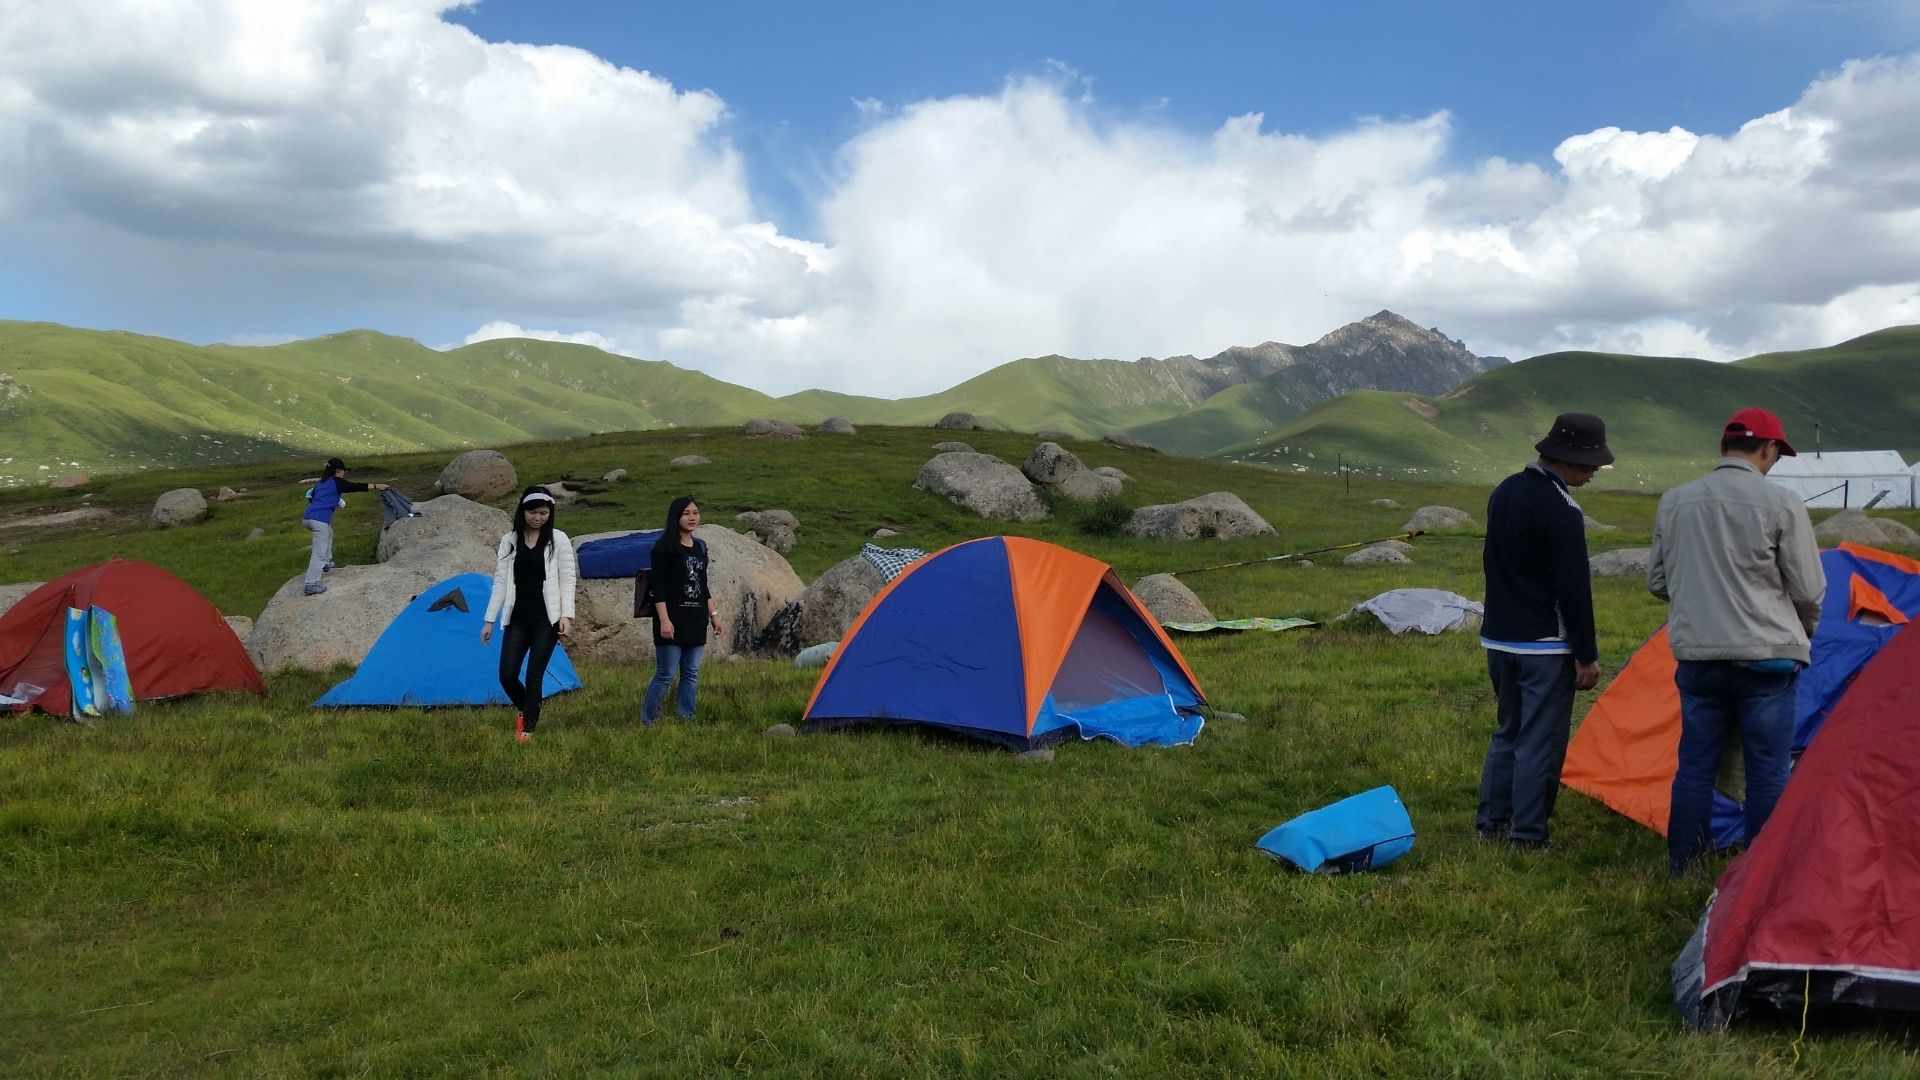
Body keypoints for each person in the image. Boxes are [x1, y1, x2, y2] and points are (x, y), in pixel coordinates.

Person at [1650, 407, 1823, 876]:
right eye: (1776, 455)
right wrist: (1803, 631)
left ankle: (1683, 864)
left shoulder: (1675, 501)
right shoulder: (1782, 503)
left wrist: (1701, 600)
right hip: (1768, 657)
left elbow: (1658, 582)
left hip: (1699, 657)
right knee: (1767, 769)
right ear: (1767, 449)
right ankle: (1758, 873)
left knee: (1695, 765)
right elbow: (1809, 589)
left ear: (1723, 447)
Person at [1475, 413, 1612, 850]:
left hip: (1499, 638)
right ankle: (1529, 834)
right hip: (1545, 646)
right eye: (1591, 465)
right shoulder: (1563, 509)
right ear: (1570, 460)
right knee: (1541, 741)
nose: (1594, 473)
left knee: (1508, 732)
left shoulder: (1504, 491)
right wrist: (1586, 654)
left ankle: (1490, 823)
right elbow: (1574, 588)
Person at [481, 486, 578, 742]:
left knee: (534, 675)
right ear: (523, 511)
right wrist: (489, 620)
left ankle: (528, 730)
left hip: (547, 619)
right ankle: (528, 707)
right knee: (507, 675)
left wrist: (566, 616)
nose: (538, 518)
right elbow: (500, 582)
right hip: (517, 618)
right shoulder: (509, 540)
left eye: (544, 513)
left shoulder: (558, 539)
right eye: (533, 512)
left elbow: (568, 579)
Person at [644, 496, 722, 725]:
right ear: (676, 516)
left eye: (695, 513)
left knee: (691, 672)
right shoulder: (663, 547)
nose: (692, 517)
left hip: (696, 619)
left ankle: (686, 717)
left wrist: (714, 616)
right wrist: (664, 620)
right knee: (666, 673)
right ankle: (649, 720)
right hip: (672, 618)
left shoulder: (700, 547)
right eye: (686, 513)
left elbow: (703, 585)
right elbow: (657, 588)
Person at [300, 457, 390, 596]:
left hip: (307, 518)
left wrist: (333, 501)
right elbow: (355, 486)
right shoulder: (337, 482)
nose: (344, 473)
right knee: (319, 551)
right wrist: (377, 486)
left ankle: (326, 563)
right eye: (343, 471)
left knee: (329, 532)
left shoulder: (321, 482)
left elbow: (313, 497)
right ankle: (311, 584)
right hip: (319, 520)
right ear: (337, 471)